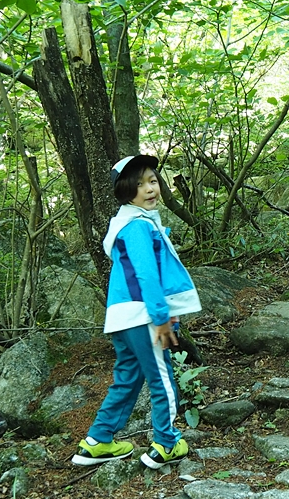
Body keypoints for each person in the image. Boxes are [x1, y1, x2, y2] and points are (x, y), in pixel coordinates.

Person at [71, 155, 202, 469]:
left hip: (122, 317)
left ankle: (98, 441)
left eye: (153, 181)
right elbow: (146, 275)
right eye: (139, 184)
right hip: (144, 316)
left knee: (127, 378)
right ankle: (168, 442)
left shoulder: (125, 225)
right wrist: (161, 317)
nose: (150, 189)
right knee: (162, 379)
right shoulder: (138, 227)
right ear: (125, 191)